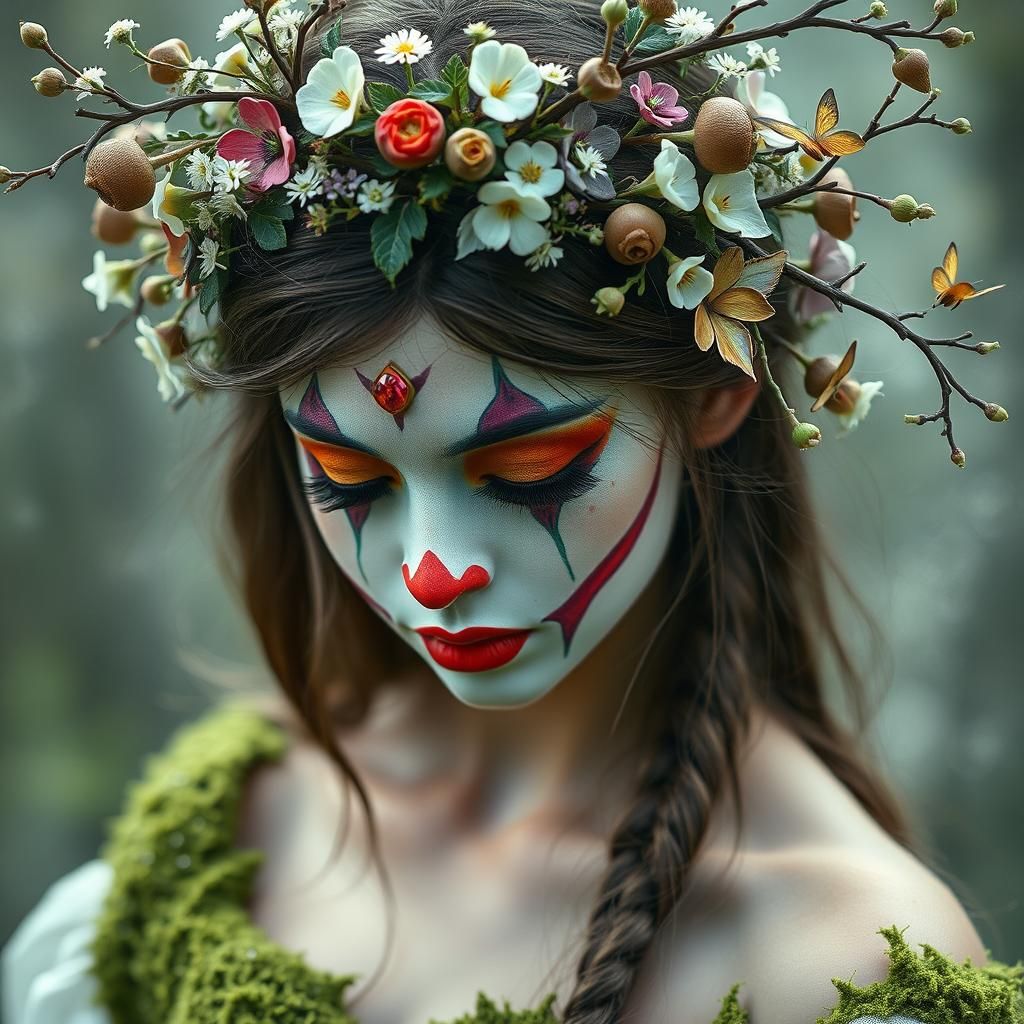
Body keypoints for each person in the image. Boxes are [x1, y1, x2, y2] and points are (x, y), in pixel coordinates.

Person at [2, 0, 1020, 1022]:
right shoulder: (230, 823)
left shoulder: (844, 960)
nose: (433, 570)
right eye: (349, 481)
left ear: (718, 388)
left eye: (531, 468)